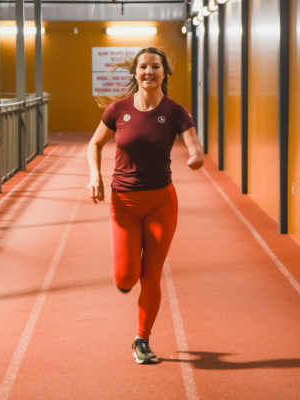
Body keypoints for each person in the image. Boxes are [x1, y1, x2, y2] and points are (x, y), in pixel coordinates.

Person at [86, 47, 204, 364]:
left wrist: (195, 157)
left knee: (150, 276)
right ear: (135, 73)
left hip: (160, 202)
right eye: (143, 67)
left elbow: (194, 146)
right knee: (127, 278)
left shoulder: (177, 112)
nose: (149, 71)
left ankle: (142, 339)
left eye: (155, 66)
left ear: (164, 73)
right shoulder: (118, 110)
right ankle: (125, 277)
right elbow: (95, 144)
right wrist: (95, 176)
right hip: (123, 203)